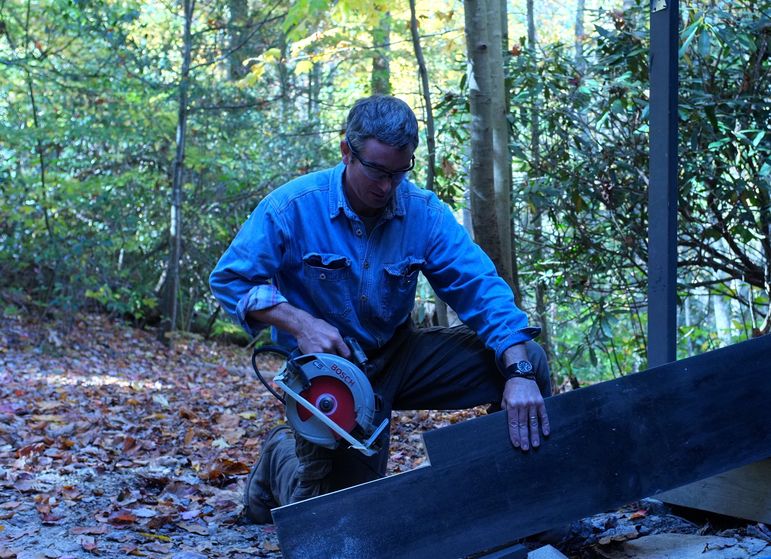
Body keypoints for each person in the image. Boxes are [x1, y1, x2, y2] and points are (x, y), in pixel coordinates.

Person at [209, 95, 552, 524]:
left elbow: (479, 287)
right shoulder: (292, 208)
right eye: (376, 170)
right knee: (338, 521)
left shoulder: (422, 213)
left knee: (527, 361)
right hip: (331, 374)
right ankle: (281, 454)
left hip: (399, 355)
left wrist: (517, 373)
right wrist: (299, 323)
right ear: (346, 152)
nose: (387, 187)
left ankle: (514, 504)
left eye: (398, 172)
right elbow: (230, 280)